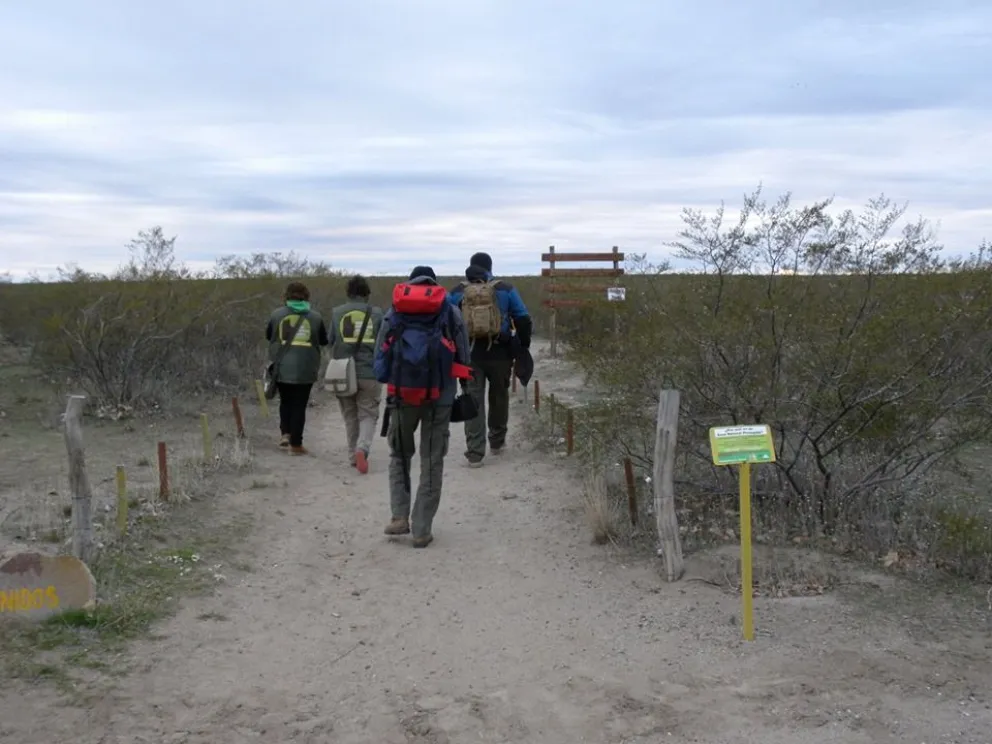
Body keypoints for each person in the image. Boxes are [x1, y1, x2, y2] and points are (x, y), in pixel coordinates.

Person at [373, 265, 472, 548]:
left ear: (410, 282)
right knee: (432, 460)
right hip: (439, 396)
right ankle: (421, 529)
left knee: (399, 456)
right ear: (434, 284)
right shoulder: (449, 310)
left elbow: (382, 353)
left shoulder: (396, 310)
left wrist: (389, 382)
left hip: (402, 395)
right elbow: (463, 352)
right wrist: (464, 385)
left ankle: (399, 516)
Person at [447, 251, 532, 467]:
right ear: (490, 266)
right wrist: (522, 348)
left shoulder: (458, 292)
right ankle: (496, 440)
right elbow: (523, 318)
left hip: (470, 356)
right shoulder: (505, 289)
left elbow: (446, 322)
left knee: (473, 399)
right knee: (499, 396)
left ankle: (475, 453)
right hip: (500, 353)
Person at [329, 275, 385, 474]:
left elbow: (331, 340)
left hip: (344, 371)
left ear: (348, 293)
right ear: (366, 294)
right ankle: (363, 448)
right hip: (370, 371)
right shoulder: (377, 314)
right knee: (368, 414)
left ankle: (353, 456)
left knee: (350, 415)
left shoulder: (337, 313)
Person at [265, 281, 329, 455]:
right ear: (307, 296)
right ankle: (296, 445)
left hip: (282, 366)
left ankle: (285, 433)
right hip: (306, 368)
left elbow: (269, 336)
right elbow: (324, 340)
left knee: (285, 401)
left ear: (286, 296)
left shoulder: (276, 315)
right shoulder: (315, 317)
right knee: (299, 405)